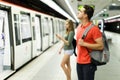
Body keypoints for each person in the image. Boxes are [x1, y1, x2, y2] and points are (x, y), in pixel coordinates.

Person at [76, 5, 104, 80]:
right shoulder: (79, 27)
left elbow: (101, 46)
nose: (78, 12)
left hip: (88, 63)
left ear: (85, 15)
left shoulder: (94, 29)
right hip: (79, 62)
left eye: (81, 11)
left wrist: (84, 44)